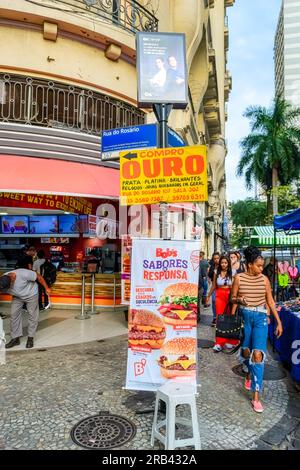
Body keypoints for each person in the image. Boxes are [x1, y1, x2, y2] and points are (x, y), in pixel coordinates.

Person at [231, 246, 283, 413]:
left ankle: (256, 396)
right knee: (246, 352)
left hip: (261, 320)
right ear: (250, 265)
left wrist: (279, 321)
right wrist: (240, 300)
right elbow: (232, 299)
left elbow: (271, 301)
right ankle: (248, 372)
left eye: (262, 266)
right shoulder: (238, 278)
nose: (261, 269)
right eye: (258, 266)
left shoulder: (265, 280)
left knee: (258, 355)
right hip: (245, 320)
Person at [0, 255, 51, 349]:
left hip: (31, 295)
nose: (7, 290)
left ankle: (30, 338)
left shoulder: (24, 273)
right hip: (17, 296)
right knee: (14, 315)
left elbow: (39, 277)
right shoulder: (3, 280)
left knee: (32, 315)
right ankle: (15, 339)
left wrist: (46, 288)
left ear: (12, 279)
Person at [207, 255, 238, 352]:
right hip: (219, 296)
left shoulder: (233, 272)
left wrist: (234, 298)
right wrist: (208, 296)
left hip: (229, 296)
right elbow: (213, 286)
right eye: (222, 262)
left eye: (225, 262)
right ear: (220, 263)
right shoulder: (217, 272)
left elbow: (235, 287)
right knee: (220, 319)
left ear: (228, 263)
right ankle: (219, 342)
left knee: (229, 318)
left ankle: (230, 340)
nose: (224, 264)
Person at [208, 252, 220, 326]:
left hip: (221, 287)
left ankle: (220, 317)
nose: (216, 260)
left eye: (217, 258)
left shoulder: (223, 265)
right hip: (214, 287)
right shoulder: (212, 266)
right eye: (215, 258)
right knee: (213, 301)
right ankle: (215, 317)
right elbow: (209, 275)